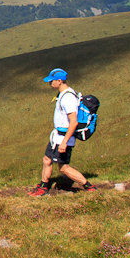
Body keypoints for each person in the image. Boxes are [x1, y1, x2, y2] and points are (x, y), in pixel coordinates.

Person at [28, 68, 97, 196]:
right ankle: (43, 186)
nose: (50, 83)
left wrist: (64, 142)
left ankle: (88, 186)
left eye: (52, 81)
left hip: (63, 139)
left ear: (59, 81)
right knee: (47, 159)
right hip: (58, 137)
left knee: (64, 168)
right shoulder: (66, 94)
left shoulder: (68, 98)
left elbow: (74, 122)